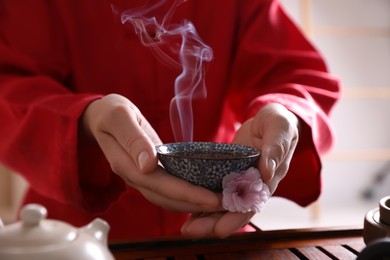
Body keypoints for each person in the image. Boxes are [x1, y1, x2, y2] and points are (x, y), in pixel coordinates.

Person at [0, 0, 340, 242]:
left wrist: (285, 113)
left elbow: (295, 75)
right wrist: (86, 119)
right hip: (73, 237)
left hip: (219, 228)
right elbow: (8, 86)